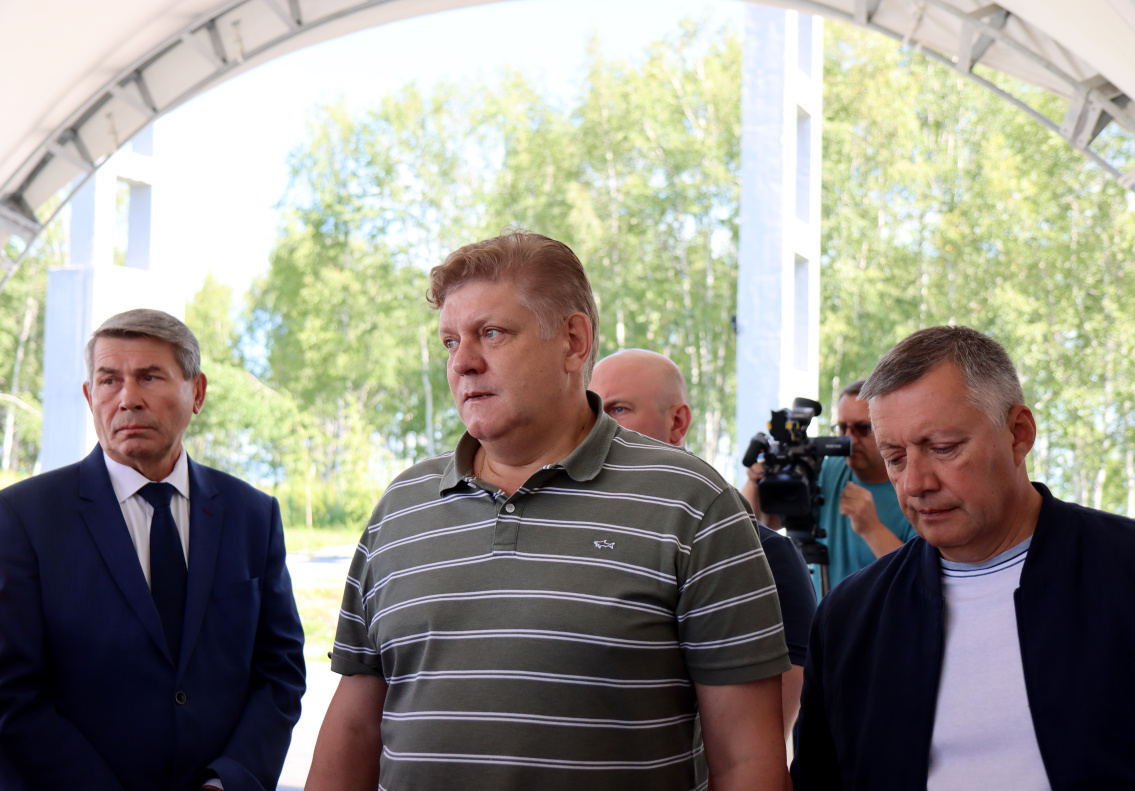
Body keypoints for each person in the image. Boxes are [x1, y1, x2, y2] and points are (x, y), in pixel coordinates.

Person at [307, 231, 792, 791]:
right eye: (450, 342)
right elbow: (354, 728)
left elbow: (748, 763)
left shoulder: (693, 503)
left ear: (573, 341)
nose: (463, 362)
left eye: (492, 333)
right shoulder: (401, 506)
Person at [791, 325, 1135, 790]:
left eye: (943, 449)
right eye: (895, 457)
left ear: (1019, 434)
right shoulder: (848, 618)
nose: (916, 483)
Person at [0, 309, 306, 791]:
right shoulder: (23, 517)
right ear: (90, 397)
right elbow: (10, 693)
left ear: (197, 392)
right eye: (109, 381)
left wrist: (227, 781)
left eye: (149, 377)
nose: (128, 399)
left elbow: (280, 672)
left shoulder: (253, 515)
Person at [589, 348, 817, 751]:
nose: (598, 426)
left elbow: (754, 752)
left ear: (678, 422)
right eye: (590, 410)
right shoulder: (567, 540)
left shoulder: (766, 556)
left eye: (619, 409)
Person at [743, 379, 915, 596]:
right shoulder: (827, 467)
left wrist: (873, 529)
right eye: (842, 428)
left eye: (862, 428)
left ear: (885, 427)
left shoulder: (911, 485)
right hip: (824, 612)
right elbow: (763, 523)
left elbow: (917, 579)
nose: (850, 439)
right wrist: (755, 480)